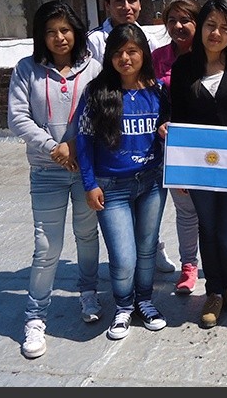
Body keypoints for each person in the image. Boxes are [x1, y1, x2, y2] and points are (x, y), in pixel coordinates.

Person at [160, 0, 227, 329]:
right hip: (198, 166)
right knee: (207, 228)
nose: (216, 33)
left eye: (224, 27)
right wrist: (174, 156)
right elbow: (177, 115)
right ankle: (214, 293)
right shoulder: (183, 68)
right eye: (210, 25)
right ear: (201, 27)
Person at [7, 0, 103, 359]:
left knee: (87, 235)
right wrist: (53, 148)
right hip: (47, 171)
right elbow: (18, 117)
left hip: (84, 170)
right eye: (50, 32)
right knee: (47, 247)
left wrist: (74, 145)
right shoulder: (26, 69)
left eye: (65, 30)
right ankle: (35, 316)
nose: (59, 37)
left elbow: (102, 112)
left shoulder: (93, 68)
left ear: (76, 31)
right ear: (41, 36)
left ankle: (88, 293)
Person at [75, 23, 169, 341]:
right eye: (118, 52)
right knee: (124, 256)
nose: (125, 58)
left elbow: (171, 134)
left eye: (132, 51)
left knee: (146, 249)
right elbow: (84, 140)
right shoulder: (97, 92)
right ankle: (124, 306)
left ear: (144, 53)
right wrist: (90, 184)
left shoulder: (158, 91)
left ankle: (145, 301)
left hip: (152, 183)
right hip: (111, 186)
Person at [87, 0, 177, 273]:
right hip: (112, 135)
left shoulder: (148, 37)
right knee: (114, 222)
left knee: (148, 212)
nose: (126, 7)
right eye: (119, 1)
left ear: (140, 4)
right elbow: (93, 90)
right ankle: (119, 267)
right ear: (107, 5)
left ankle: (152, 250)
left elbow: (154, 84)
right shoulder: (95, 42)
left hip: (144, 139)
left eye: (132, 0)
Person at [151, 0, 202, 292]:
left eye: (185, 20)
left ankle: (219, 267)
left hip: (208, 145)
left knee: (213, 211)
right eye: (172, 20)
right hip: (173, 146)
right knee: (186, 210)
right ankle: (188, 266)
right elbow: (147, 99)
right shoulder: (157, 58)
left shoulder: (211, 55)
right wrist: (160, 122)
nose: (178, 26)